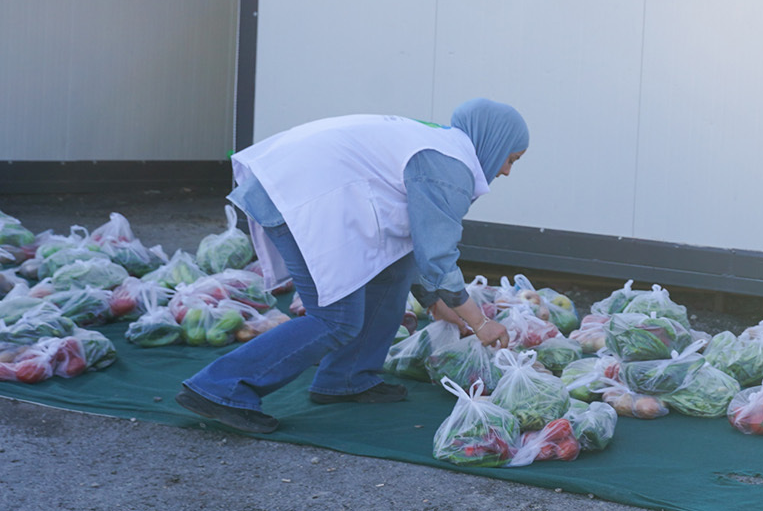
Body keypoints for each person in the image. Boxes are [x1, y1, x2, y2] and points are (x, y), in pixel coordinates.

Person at [176, 99, 531, 434]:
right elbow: (437, 255)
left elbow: (420, 246)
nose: (506, 171)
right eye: (511, 159)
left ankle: (347, 378)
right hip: (298, 200)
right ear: (494, 142)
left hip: (304, 190)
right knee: (336, 319)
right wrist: (479, 322)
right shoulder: (449, 166)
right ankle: (221, 387)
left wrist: (435, 302)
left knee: (392, 274)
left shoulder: (442, 147)